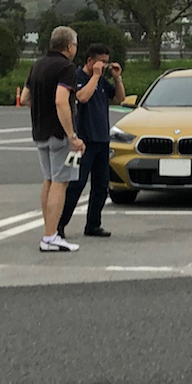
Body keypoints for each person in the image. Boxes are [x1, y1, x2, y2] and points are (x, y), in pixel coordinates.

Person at [20, 26, 85, 251]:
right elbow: (61, 100)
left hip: (40, 131)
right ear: (69, 46)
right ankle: (50, 236)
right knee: (61, 182)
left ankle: (49, 232)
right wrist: (72, 136)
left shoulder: (38, 65)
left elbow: (25, 98)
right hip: (59, 133)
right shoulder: (66, 67)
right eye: (75, 45)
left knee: (48, 179)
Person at [56, 44, 121, 239]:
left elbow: (119, 98)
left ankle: (93, 224)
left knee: (101, 185)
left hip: (102, 139)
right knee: (76, 184)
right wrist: (95, 76)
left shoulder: (101, 81)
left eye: (107, 62)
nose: (104, 66)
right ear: (90, 61)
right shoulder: (79, 77)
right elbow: (82, 97)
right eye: (101, 62)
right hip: (84, 140)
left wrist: (117, 79)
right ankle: (59, 224)